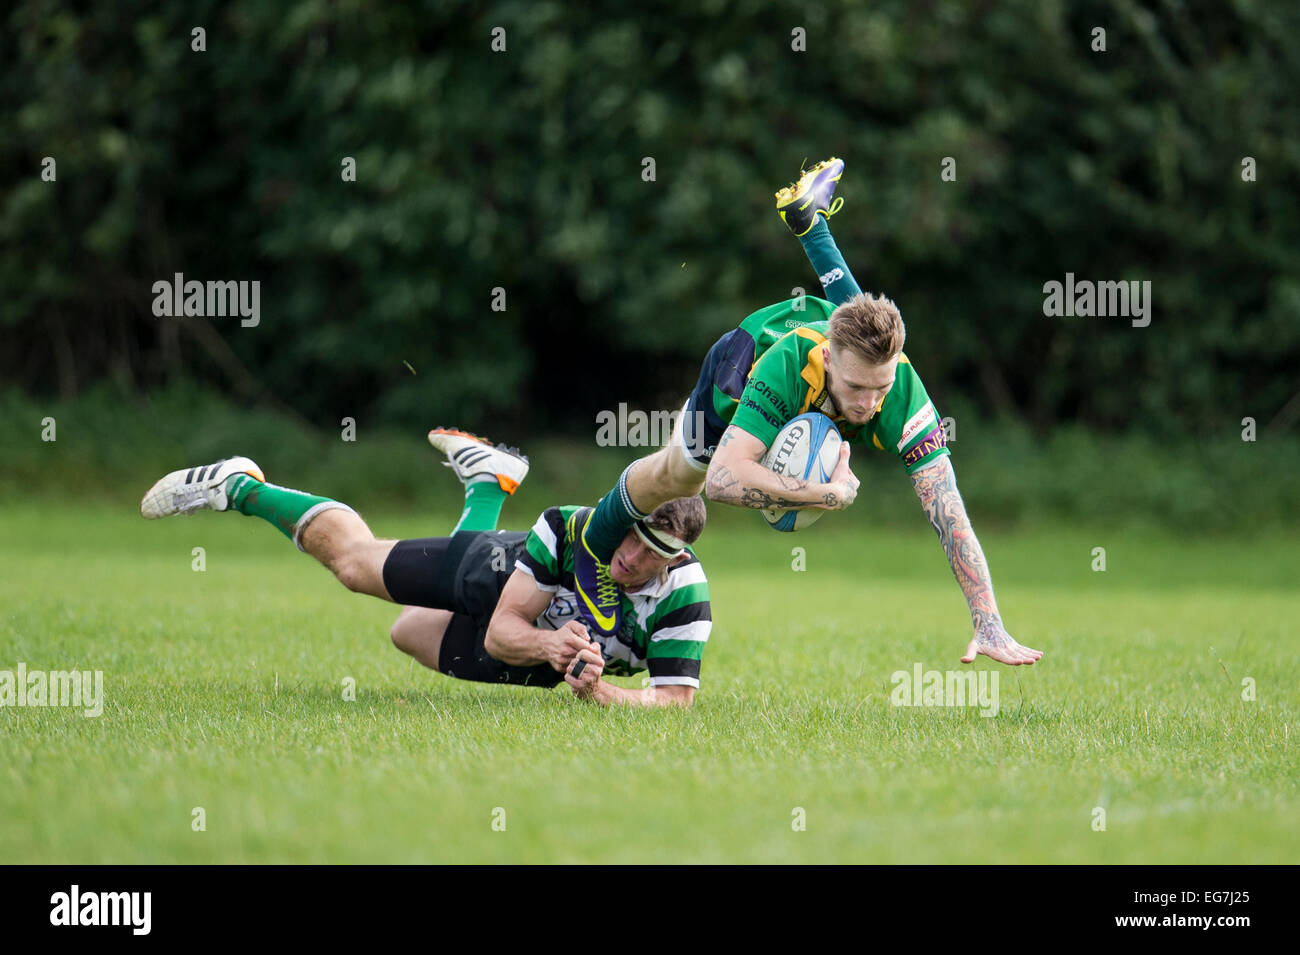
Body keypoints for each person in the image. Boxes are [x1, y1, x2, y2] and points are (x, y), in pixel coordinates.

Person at [570, 158, 1042, 668]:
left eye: (879, 389)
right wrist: (826, 496)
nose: (869, 404)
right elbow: (723, 482)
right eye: (858, 388)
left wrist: (988, 622)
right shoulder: (791, 362)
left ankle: (810, 222)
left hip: (835, 349)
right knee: (679, 474)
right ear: (827, 360)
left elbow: (949, 515)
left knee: (861, 316)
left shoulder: (898, 390)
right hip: (746, 362)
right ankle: (592, 546)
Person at [139, 428, 711, 706]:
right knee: (354, 566)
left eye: (653, 555)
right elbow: (504, 628)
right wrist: (548, 646)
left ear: (677, 556)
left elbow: (671, 707)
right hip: (509, 577)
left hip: (555, 658)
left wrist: (600, 693)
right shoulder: (571, 530)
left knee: (408, 631)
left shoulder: (685, 598)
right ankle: (239, 486)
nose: (631, 560)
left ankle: (490, 480)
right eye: (630, 541)